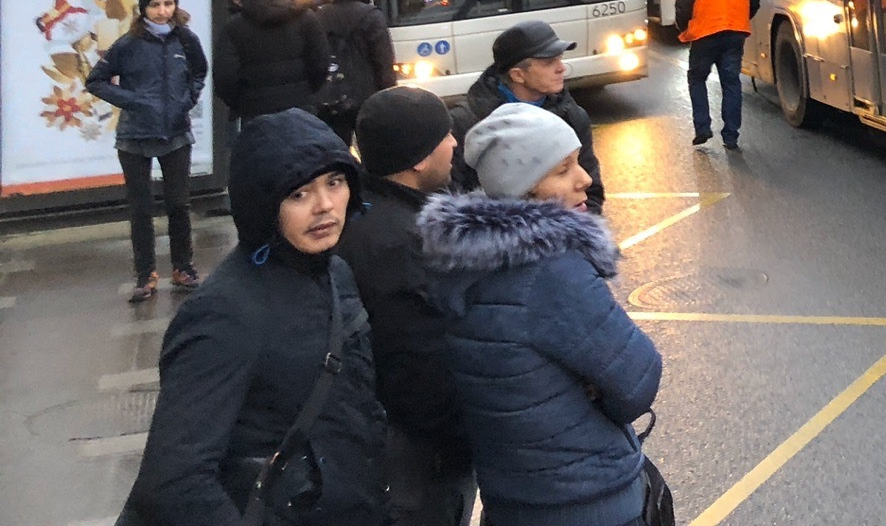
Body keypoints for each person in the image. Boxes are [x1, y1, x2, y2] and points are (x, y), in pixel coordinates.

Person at [122, 110, 386, 526]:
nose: (325, 206)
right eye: (299, 194)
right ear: (262, 203)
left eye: (335, 183)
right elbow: (175, 479)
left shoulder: (335, 272)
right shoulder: (225, 312)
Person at [420, 105, 663, 526]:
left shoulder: (459, 263)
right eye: (563, 169)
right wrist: (590, 386)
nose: (584, 178)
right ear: (526, 189)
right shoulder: (552, 272)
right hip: (588, 501)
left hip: (510, 499)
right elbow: (638, 380)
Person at [336, 87, 473, 526]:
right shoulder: (398, 244)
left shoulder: (373, 211)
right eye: (445, 135)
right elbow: (419, 371)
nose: (454, 144)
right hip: (420, 462)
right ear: (416, 158)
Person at [86, 0, 209, 302]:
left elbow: (200, 71)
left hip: (176, 134)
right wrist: (132, 101)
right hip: (134, 137)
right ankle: (145, 274)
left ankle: (183, 267)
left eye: (168, 3)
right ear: (143, 8)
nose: (162, 11)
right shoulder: (127, 45)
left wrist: (188, 99)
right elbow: (95, 80)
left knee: (179, 204)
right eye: (155, 4)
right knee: (141, 208)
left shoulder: (186, 39)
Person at [452, 19, 605, 212]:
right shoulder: (466, 122)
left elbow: (592, 194)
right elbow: (453, 195)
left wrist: (577, 233)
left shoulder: (572, 116)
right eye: (549, 62)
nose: (561, 68)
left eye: (560, 58)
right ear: (517, 75)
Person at [214, 0, 330, 121]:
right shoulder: (306, 19)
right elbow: (320, 64)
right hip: (300, 110)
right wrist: (305, 94)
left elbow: (225, 78)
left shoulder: (235, 27)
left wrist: (243, 104)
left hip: (255, 112)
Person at [676, 0, 759, 150]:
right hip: (735, 33)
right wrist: (739, 19)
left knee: (697, 78)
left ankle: (703, 128)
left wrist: (682, 28)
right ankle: (731, 135)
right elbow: (754, 1)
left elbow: (683, 3)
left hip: (705, 34)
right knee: (731, 82)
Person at [312, 0, 397, 144]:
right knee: (372, 149)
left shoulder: (320, 15)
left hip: (330, 96)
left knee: (336, 150)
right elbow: (383, 61)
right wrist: (389, 94)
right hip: (366, 96)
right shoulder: (371, 15)